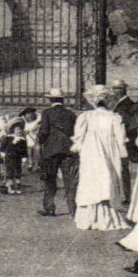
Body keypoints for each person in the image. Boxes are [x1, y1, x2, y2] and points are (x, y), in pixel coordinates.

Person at [72, 85, 131, 231]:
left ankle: (90, 218)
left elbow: (78, 140)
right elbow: (121, 140)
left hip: (90, 155)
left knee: (91, 181)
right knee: (108, 180)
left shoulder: (85, 117)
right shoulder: (114, 118)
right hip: (110, 154)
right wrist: (122, 155)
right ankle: (107, 215)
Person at [36, 88, 78, 217]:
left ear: (50, 100)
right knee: (69, 181)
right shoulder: (71, 114)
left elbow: (44, 131)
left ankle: (49, 208)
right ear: (62, 100)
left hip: (51, 151)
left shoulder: (47, 113)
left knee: (50, 180)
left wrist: (40, 141)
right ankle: (73, 210)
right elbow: (74, 133)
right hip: (68, 150)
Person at [0, 115, 30, 195]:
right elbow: (3, 147)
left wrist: (24, 157)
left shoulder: (22, 140)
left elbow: (24, 150)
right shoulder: (8, 138)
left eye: (20, 129)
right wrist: (2, 153)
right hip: (9, 158)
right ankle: (10, 187)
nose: (19, 131)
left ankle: (17, 187)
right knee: (9, 172)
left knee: (18, 172)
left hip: (18, 159)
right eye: (17, 129)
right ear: (13, 130)